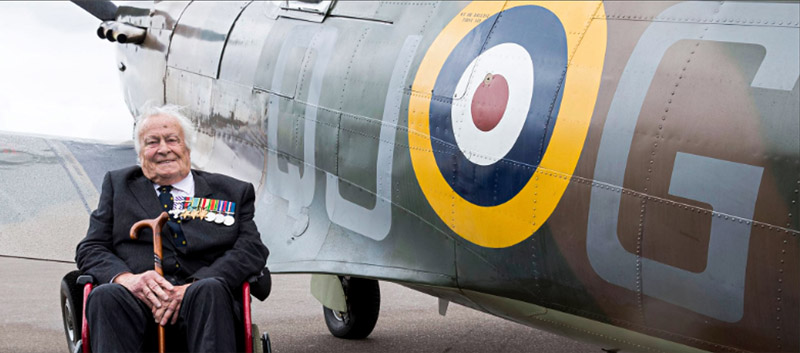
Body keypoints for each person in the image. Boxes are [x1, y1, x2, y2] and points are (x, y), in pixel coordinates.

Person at [75, 104, 269, 352]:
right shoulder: (118, 186)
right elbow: (91, 247)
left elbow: (252, 249)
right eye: (152, 142)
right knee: (105, 296)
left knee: (209, 289)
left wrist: (194, 285)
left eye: (172, 140)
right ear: (140, 153)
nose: (163, 149)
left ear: (188, 147)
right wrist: (128, 280)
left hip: (206, 304)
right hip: (137, 303)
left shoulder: (231, 192)